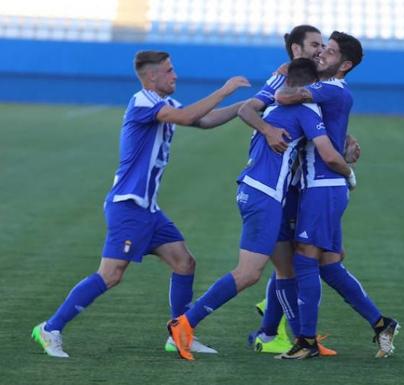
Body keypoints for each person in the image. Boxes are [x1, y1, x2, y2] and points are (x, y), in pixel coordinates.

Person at [31, 50, 250, 358]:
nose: (175, 76)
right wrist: (225, 90)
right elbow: (188, 117)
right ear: (152, 77)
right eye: (170, 71)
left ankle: (180, 334)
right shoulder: (144, 101)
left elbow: (205, 120)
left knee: (184, 263)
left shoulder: (164, 104)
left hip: (148, 209)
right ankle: (50, 328)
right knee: (110, 274)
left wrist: (247, 105)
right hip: (128, 206)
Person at [167, 57, 356, 361]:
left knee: (286, 269)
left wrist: (345, 141)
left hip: (251, 190)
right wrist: (348, 168)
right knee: (248, 273)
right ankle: (185, 323)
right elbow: (326, 153)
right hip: (266, 195)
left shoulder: (271, 108)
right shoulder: (306, 108)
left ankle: (302, 340)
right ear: (310, 86)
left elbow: (250, 111)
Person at [274, 32, 400, 359]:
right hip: (323, 188)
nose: (321, 55)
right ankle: (381, 322)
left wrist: (283, 75)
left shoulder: (328, 88)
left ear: (344, 65)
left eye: (329, 53)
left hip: (322, 186)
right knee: (329, 266)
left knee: (304, 257)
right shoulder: (332, 90)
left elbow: (287, 97)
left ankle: (305, 341)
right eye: (322, 50)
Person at [237, 25, 337, 356]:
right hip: (282, 185)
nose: (320, 50)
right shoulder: (283, 79)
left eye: (323, 45)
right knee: (289, 266)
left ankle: (274, 328)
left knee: (292, 265)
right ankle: (282, 333)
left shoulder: (317, 84)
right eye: (314, 44)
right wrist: (267, 129)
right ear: (296, 49)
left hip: (296, 185)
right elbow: (250, 107)